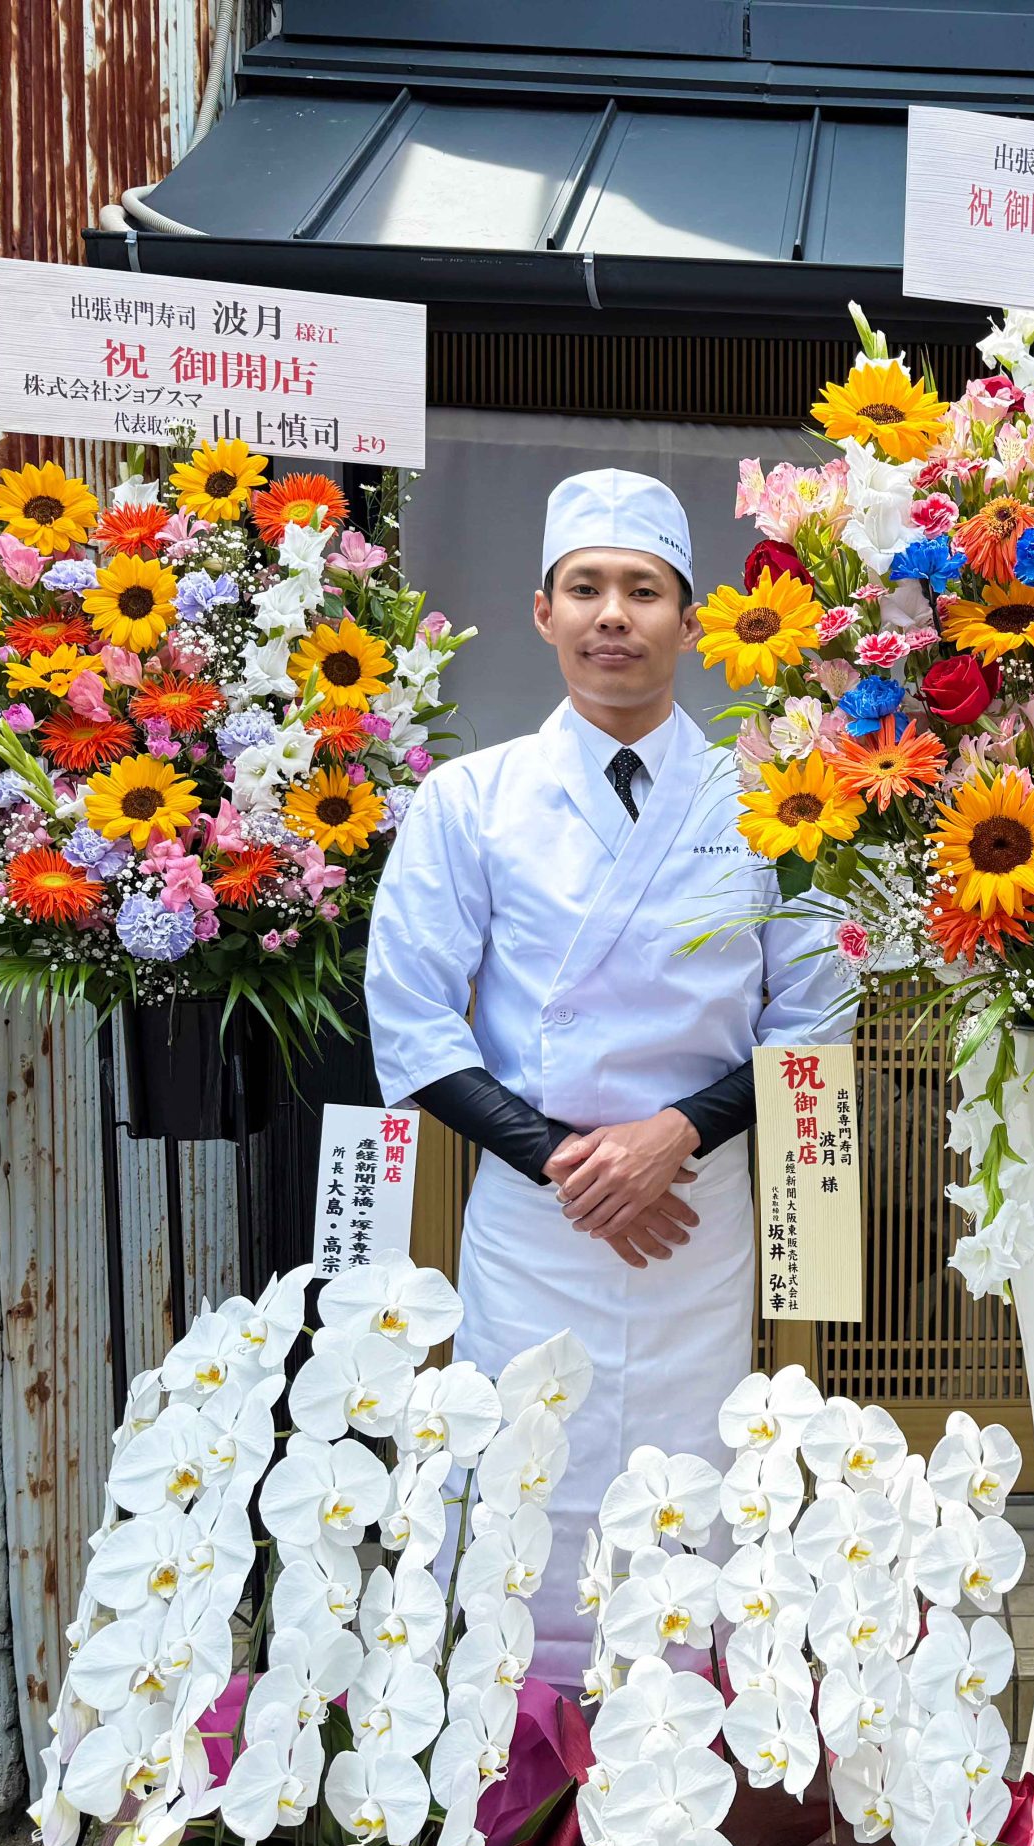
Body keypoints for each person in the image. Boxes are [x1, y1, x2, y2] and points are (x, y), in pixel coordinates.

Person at [367, 467, 848, 1689]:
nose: (613, 616)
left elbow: (818, 1017)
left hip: (699, 1203)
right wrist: (569, 1164)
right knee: (531, 1464)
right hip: (535, 1216)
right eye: (586, 588)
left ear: (692, 617)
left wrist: (671, 1141)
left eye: (644, 589)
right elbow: (415, 1025)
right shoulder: (467, 799)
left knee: (693, 1480)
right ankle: (511, 1761)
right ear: (543, 613)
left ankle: (686, 1765)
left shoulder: (773, 801)